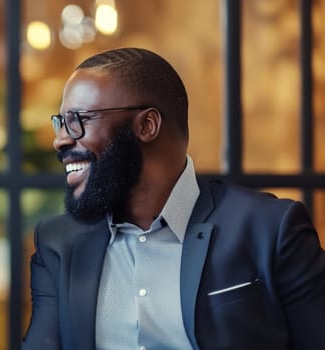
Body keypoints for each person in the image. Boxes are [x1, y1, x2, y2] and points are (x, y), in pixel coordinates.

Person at [22, 47, 325, 349]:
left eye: (78, 119)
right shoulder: (59, 243)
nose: (60, 139)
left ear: (146, 125)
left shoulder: (270, 229)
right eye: (60, 123)